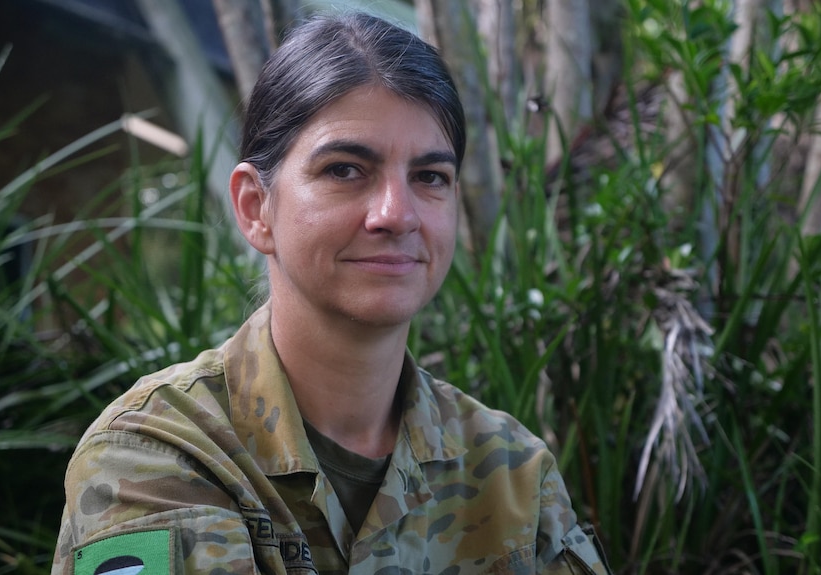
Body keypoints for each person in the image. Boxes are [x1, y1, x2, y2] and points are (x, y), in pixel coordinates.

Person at [51, 11, 611, 575]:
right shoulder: (156, 456)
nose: (397, 214)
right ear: (255, 207)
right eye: (345, 169)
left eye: (430, 177)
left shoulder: (512, 471)